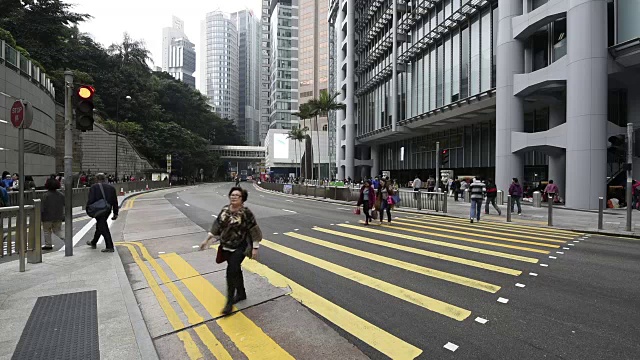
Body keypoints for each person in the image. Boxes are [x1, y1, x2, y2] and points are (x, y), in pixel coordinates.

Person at [200, 187, 262, 315]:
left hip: (241, 247)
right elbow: (217, 225)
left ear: (242, 199)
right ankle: (241, 293)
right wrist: (206, 240)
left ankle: (229, 303)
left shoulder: (246, 213)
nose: (234, 197)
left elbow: (254, 230)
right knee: (235, 269)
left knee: (231, 271)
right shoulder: (224, 210)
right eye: (232, 195)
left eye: (237, 195)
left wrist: (255, 248)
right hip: (226, 246)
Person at [86, 173, 119, 252]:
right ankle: (94, 242)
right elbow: (115, 201)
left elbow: (91, 199)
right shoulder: (111, 187)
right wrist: (115, 212)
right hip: (107, 209)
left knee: (103, 226)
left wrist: (89, 208)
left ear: (96, 179)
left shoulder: (94, 187)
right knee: (100, 225)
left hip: (98, 209)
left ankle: (109, 246)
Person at [41, 178, 65, 250]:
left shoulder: (45, 195)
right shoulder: (61, 195)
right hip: (58, 215)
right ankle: (66, 238)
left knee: (47, 230)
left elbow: (42, 206)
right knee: (57, 230)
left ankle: (48, 245)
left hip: (47, 216)